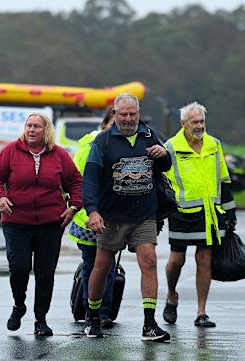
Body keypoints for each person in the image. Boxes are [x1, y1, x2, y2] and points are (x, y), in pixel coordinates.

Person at [82, 93, 172, 342]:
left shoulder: (148, 135)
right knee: (102, 266)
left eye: (132, 114)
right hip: (111, 216)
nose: (128, 118)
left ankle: (149, 323)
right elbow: (89, 180)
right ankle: (92, 317)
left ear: (139, 113)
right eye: (123, 114)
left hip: (144, 214)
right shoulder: (103, 142)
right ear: (115, 114)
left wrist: (164, 155)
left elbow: (165, 166)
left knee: (150, 261)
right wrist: (92, 211)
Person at [0, 112, 82, 336]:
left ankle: (41, 319)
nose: (31, 130)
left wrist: (73, 206)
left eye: (37, 126)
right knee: (19, 268)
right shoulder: (10, 150)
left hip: (50, 223)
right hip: (16, 221)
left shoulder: (59, 155)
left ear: (46, 130)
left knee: (45, 273)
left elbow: (76, 182)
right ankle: (19, 305)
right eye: (29, 126)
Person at [162, 101, 237, 328]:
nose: (199, 126)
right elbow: (163, 180)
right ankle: (171, 295)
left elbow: (224, 179)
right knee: (177, 260)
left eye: (202, 121)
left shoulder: (214, 144)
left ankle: (201, 312)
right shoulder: (171, 147)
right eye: (195, 122)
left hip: (210, 212)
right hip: (181, 212)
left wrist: (230, 210)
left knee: (204, 259)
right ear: (183, 123)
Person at [67, 108, 117, 328]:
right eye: (113, 123)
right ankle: (96, 312)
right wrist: (86, 209)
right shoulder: (92, 145)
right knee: (93, 265)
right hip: (89, 216)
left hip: (113, 216)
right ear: (104, 125)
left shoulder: (124, 145)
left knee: (108, 266)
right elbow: (79, 180)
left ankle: (101, 311)